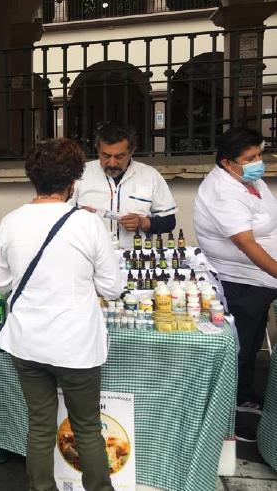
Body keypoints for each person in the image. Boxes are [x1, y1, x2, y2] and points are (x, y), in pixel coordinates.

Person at [0, 138, 123, 491]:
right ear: (73, 182)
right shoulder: (88, 224)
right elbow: (112, 288)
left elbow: (1, 284)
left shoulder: (11, 222)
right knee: (87, 428)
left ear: (33, 178)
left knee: (39, 425)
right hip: (76, 345)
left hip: (27, 342)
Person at [193, 127, 277, 414]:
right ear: (227, 163)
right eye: (250, 157)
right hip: (241, 280)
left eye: (259, 154)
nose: (258, 162)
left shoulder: (249, 180)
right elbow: (245, 242)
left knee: (252, 340)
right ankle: (238, 405)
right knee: (241, 345)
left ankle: (244, 393)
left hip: (261, 278)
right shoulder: (222, 191)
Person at [73, 122, 177, 249]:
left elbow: (170, 221)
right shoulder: (80, 174)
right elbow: (59, 215)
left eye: (119, 156)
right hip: (90, 255)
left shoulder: (150, 176)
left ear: (132, 151)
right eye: (105, 156)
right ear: (97, 149)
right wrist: (76, 215)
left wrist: (143, 222)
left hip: (136, 258)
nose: (112, 163)